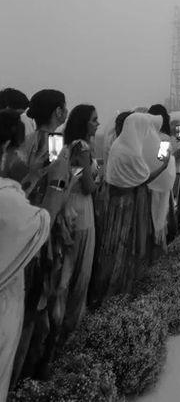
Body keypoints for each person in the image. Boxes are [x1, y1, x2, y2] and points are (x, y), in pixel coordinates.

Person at [89, 113, 171, 306]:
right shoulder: (130, 151)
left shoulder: (119, 145)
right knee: (124, 247)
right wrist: (164, 164)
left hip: (115, 204)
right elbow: (143, 177)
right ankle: (118, 294)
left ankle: (111, 293)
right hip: (125, 206)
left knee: (114, 246)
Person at [0, 112, 50, 402]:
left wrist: (31, 177)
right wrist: (55, 185)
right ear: (7, 146)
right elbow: (38, 224)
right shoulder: (6, 197)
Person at [51, 104, 100, 346]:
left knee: (65, 273)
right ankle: (71, 333)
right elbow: (89, 186)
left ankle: (58, 331)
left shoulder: (68, 145)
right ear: (84, 123)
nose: (98, 124)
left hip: (69, 208)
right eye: (94, 120)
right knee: (80, 274)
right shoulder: (82, 147)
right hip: (82, 212)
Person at [144, 109, 177, 254]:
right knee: (161, 217)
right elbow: (162, 163)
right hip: (160, 185)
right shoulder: (164, 139)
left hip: (147, 184)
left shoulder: (145, 138)